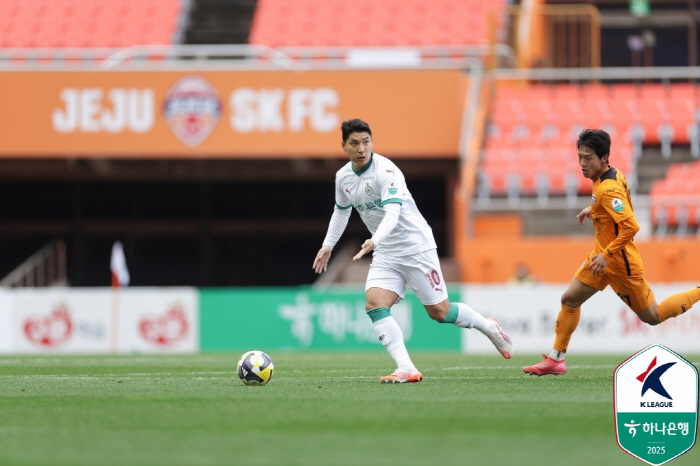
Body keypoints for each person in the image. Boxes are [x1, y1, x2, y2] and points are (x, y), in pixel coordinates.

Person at [313, 118, 513, 384]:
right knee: (374, 303)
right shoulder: (343, 177)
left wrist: (375, 239)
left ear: (372, 142)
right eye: (354, 143)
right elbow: (341, 212)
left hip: (415, 247)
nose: (361, 148)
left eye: (366, 142)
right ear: (344, 146)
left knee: (440, 312)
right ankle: (406, 367)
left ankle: (488, 326)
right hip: (386, 253)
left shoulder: (386, 171)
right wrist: (328, 245)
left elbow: (393, 212)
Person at [524, 129, 700, 376]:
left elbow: (631, 226)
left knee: (653, 316)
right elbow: (611, 204)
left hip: (619, 264)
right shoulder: (609, 176)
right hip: (599, 259)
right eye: (580, 157)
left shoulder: (608, 189)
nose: (582, 164)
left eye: (588, 158)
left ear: (604, 158)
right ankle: (556, 359)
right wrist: (593, 209)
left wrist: (607, 256)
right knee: (569, 300)